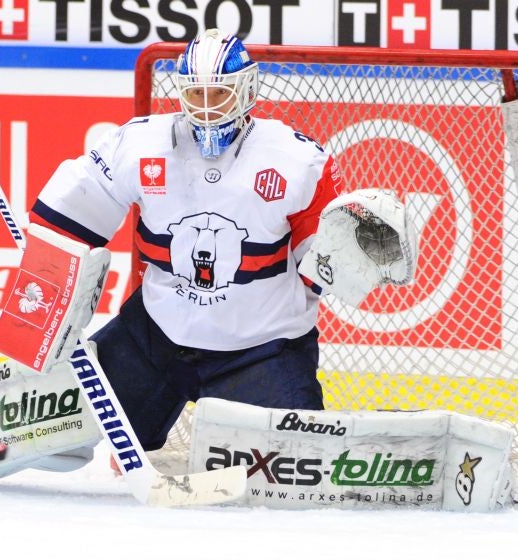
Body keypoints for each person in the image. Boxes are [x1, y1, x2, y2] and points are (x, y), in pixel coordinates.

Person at [26, 28, 346, 452]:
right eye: (197, 95)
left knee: (293, 466)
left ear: (247, 89)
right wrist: (48, 265)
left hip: (260, 351)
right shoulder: (139, 144)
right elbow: (74, 210)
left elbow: (324, 269)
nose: (208, 109)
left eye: (221, 94)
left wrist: (349, 255)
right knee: (48, 428)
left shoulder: (298, 161)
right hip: (154, 341)